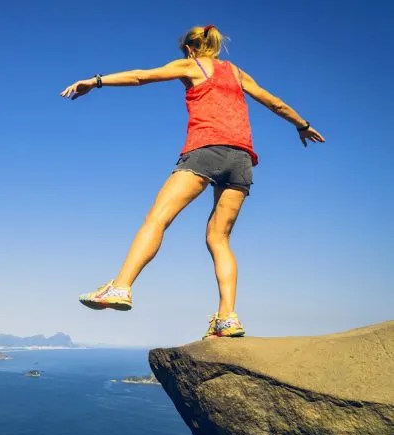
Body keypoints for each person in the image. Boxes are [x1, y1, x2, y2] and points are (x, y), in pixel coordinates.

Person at [60, 24, 325, 339]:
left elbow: (140, 76)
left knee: (157, 219)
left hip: (205, 151)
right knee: (219, 239)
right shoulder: (236, 73)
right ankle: (227, 317)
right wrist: (302, 125)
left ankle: (121, 286)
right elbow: (274, 102)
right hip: (242, 161)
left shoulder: (191, 65)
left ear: (189, 48)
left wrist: (96, 81)